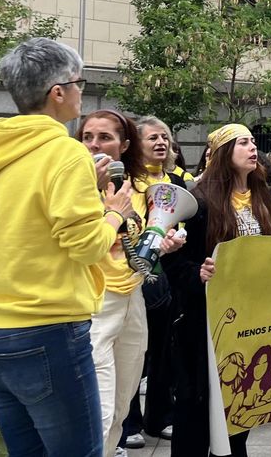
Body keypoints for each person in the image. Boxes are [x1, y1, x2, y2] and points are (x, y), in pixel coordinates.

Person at [0, 38, 136, 456]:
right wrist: (114, 213)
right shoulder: (65, 153)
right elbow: (86, 247)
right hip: (48, 330)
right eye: (79, 84)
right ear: (58, 92)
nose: (82, 93)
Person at [164, 123, 271, 457]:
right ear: (222, 153)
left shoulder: (269, 196)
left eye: (253, 141)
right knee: (196, 408)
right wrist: (197, 274)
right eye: (243, 142)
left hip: (251, 318)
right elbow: (174, 259)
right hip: (205, 321)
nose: (252, 147)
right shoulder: (199, 201)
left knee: (240, 401)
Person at [77, 110, 184, 455]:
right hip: (93, 304)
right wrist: (108, 209)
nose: (95, 145)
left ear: (124, 145)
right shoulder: (72, 187)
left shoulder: (138, 187)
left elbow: (140, 245)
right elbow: (78, 246)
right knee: (100, 409)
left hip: (133, 298)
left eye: (105, 137)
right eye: (87, 137)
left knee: (121, 408)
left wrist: (163, 245)